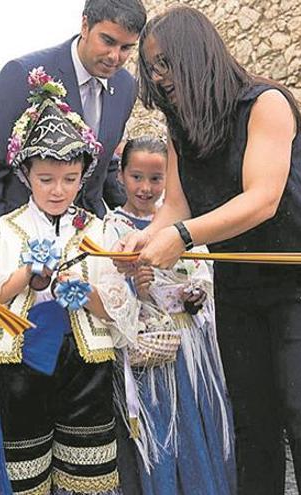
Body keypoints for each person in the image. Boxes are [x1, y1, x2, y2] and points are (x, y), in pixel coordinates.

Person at [118, 7, 301, 495]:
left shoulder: (265, 103)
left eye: (164, 65)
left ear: (196, 57)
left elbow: (261, 199)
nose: (158, 78)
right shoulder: (180, 127)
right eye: (152, 68)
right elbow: (175, 205)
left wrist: (179, 236)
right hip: (240, 278)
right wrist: (144, 235)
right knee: (252, 423)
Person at [0, 68, 139, 494]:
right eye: (46, 179)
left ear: (84, 176)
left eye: (70, 180)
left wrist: (84, 289)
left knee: (86, 478)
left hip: (85, 368)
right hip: (20, 369)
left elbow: (120, 309)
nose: (58, 190)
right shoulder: (1, 231)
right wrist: (26, 277)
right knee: (24, 475)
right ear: (25, 176)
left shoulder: (99, 231)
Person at [104, 136, 236, 494]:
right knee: (160, 430)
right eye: (136, 177)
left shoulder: (183, 224)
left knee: (197, 423)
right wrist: (139, 290)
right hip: (149, 350)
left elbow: (203, 272)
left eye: (156, 178)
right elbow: (110, 292)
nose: (145, 188)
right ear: (120, 175)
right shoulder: (111, 229)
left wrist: (195, 295)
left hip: (193, 346)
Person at [0, 0, 147, 227]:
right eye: (108, 41)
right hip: (23, 236)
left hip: (86, 238)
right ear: (85, 25)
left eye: (126, 48)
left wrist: (136, 219)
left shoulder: (126, 87)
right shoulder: (24, 74)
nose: (114, 56)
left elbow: (102, 165)